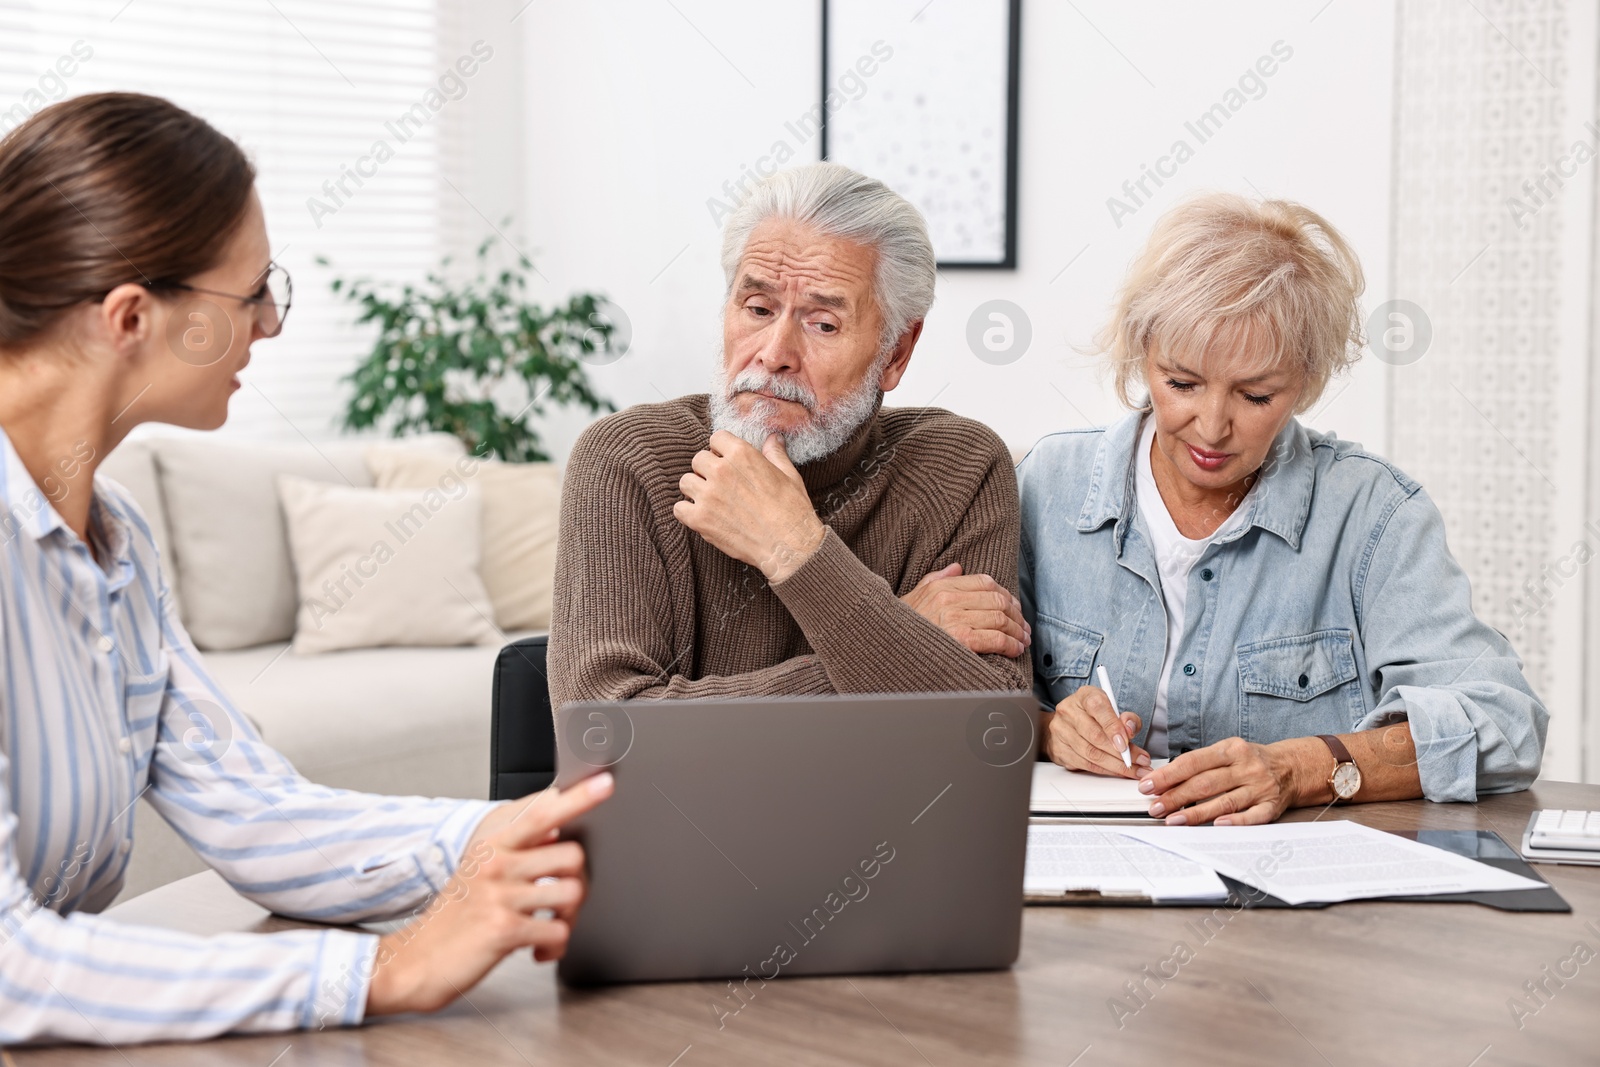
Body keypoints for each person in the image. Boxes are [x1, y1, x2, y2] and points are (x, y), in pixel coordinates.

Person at [0, 93, 611, 1045]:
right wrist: (381, 968)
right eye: (252, 295)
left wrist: (502, 833)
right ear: (129, 317)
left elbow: (256, 814)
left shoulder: (111, 539)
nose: (272, 324)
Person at [1019, 193, 1547, 825]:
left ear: (1307, 381)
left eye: (1256, 394)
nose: (1212, 427)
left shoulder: (1372, 513)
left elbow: (1505, 723)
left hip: (1287, 894)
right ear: (1142, 352)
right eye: (1182, 383)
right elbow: (955, 695)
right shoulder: (1045, 487)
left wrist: (1301, 769)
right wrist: (1049, 729)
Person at [549, 162, 1032, 708]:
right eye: (757, 308)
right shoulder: (628, 460)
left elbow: (993, 728)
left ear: (895, 352)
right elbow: (605, 738)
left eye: (822, 323)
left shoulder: (960, 468)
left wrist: (796, 550)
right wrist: (902, 638)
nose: (774, 353)